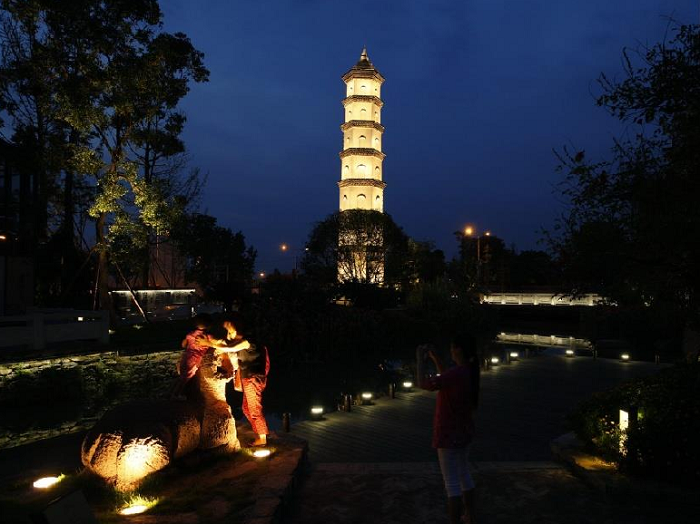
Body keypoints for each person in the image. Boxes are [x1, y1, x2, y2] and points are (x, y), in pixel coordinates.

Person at [417, 335, 480, 524]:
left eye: (452, 347)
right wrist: (436, 359)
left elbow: (424, 384)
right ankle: (470, 516)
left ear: (459, 350)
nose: (451, 351)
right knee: (464, 474)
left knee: (451, 484)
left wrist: (420, 360)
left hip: (448, 433)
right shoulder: (468, 371)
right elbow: (447, 378)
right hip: (464, 431)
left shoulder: (457, 374)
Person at [198, 314, 270, 447]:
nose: (228, 334)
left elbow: (230, 348)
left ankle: (262, 438)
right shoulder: (240, 342)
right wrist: (211, 341)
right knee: (246, 408)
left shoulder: (248, 342)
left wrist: (208, 343)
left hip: (253, 378)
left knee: (254, 408)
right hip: (248, 378)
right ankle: (259, 434)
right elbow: (225, 344)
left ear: (239, 330)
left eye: (230, 331)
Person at [171, 314, 213, 399]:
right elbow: (212, 347)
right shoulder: (208, 337)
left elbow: (183, 345)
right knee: (185, 378)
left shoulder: (190, 334)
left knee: (182, 377)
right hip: (195, 358)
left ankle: (173, 393)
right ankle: (176, 394)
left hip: (186, 356)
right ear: (209, 325)